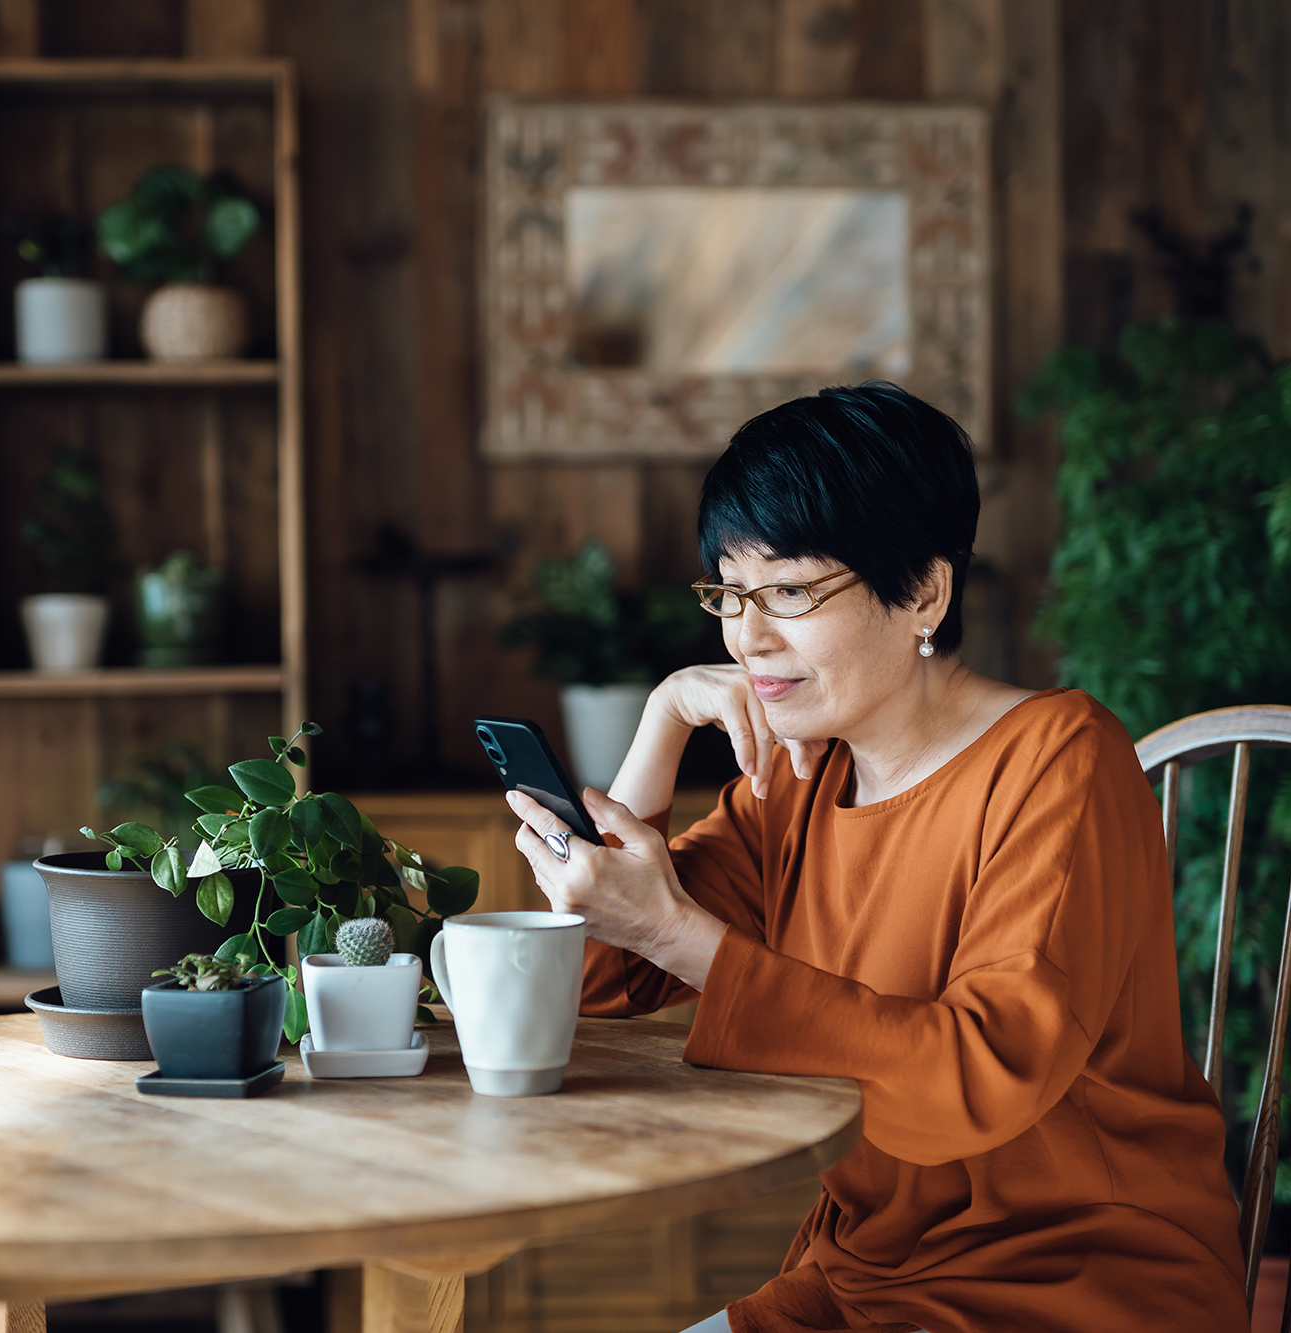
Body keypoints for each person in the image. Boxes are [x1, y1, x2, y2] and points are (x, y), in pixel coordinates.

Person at [504, 382, 1248, 1333]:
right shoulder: (804, 778)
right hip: (868, 1277)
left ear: (925, 592)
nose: (747, 636)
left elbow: (980, 1076)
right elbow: (596, 977)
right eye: (731, 593)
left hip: (1078, 1283)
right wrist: (660, 723)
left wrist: (678, 933)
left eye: (789, 592)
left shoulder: (1062, 759)